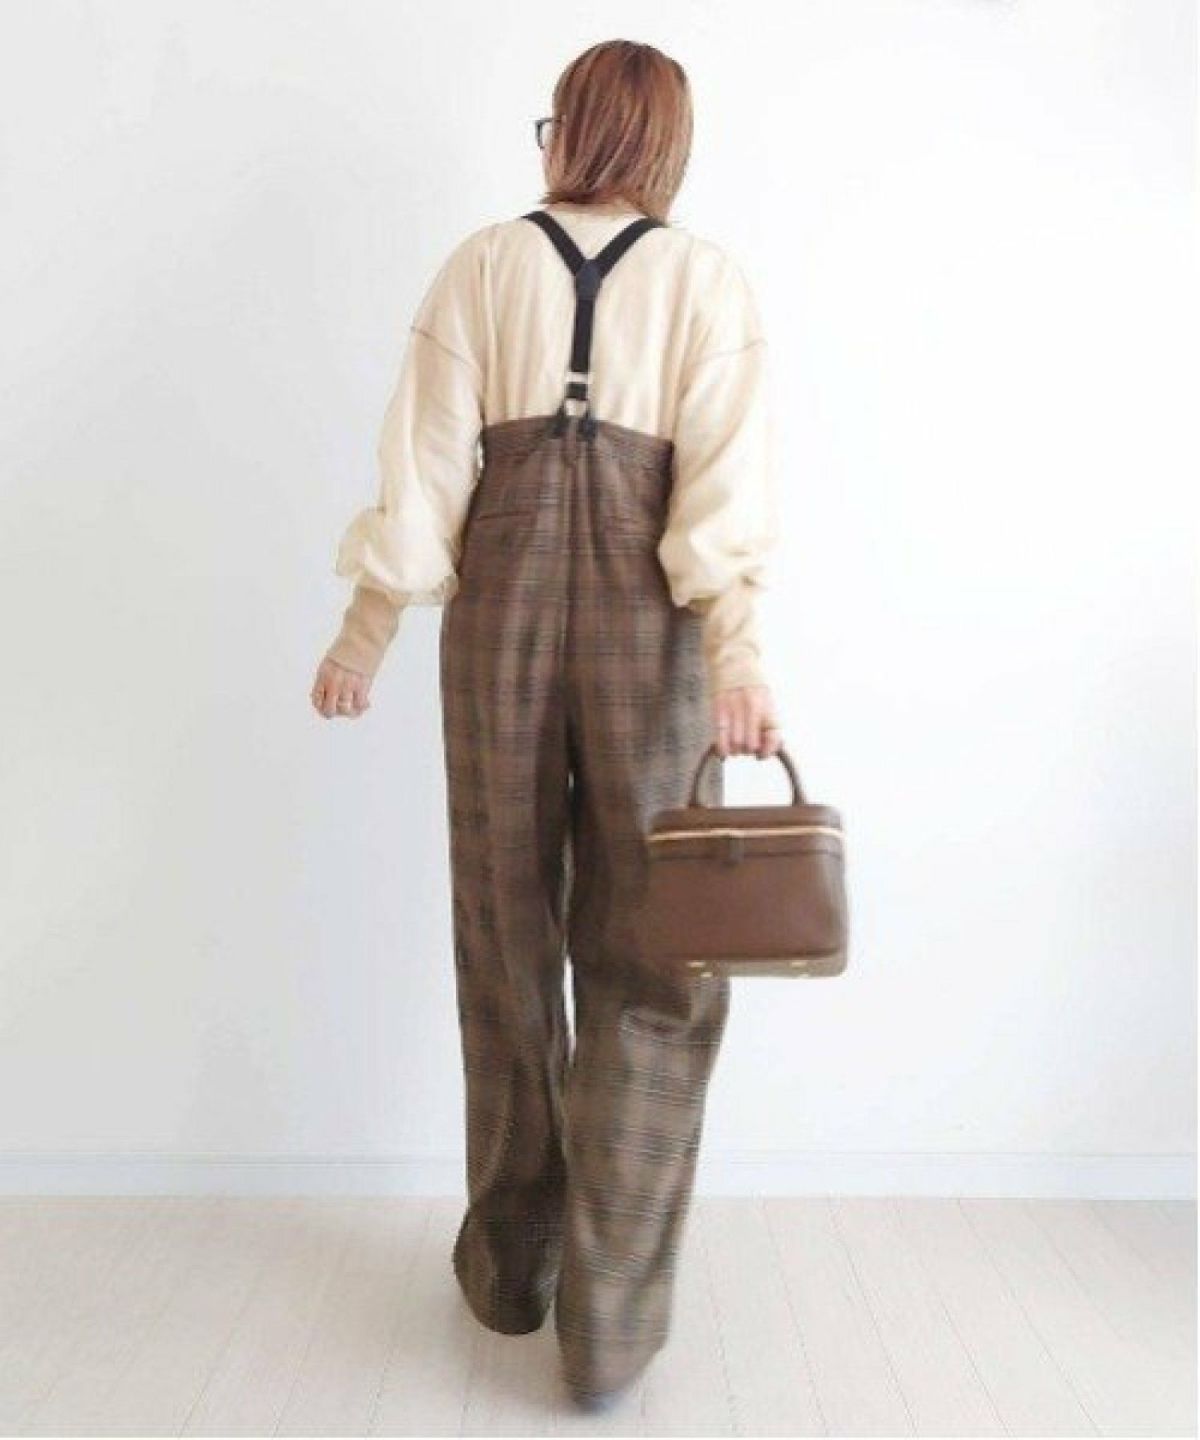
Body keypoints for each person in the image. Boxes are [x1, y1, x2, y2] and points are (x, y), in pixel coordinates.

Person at [310, 38, 783, 1411]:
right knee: (657, 956)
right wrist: (739, 659)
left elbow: (423, 472)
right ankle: (608, 1323)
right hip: (655, 625)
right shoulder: (707, 284)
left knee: (505, 929)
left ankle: (514, 1271)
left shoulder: (481, 267)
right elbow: (725, 498)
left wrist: (364, 635)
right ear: (667, 145)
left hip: (500, 616)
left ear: (572, 130)